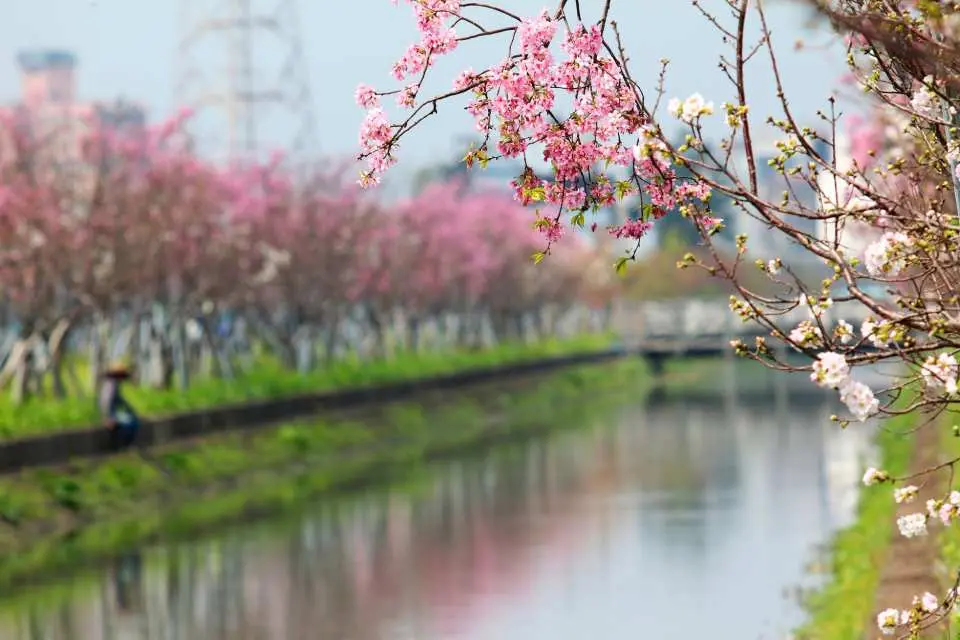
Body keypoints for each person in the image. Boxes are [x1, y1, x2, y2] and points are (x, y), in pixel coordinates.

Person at [99, 363, 141, 449]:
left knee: (132, 418)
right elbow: (106, 402)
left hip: (112, 412)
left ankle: (123, 444)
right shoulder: (111, 385)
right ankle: (124, 445)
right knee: (132, 423)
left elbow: (119, 400)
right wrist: (107, 418)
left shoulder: (114, 384)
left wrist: (130, 408)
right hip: (110, 414)